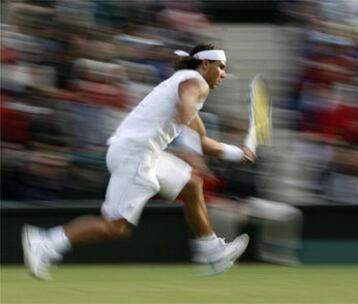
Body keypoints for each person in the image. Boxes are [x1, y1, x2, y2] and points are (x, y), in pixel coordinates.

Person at [22, 43, 255, 280]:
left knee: (192, 185)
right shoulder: (196, 83)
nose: (223, 74)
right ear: (206, 64)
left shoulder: (186, 83)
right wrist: (189, 149)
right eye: (221, 67)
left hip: (143, 152)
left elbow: (202, 140)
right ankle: (45, 243)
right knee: (115, 227)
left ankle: (211, 252)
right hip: (136, 153)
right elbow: (186, 113)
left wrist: (238, 153)